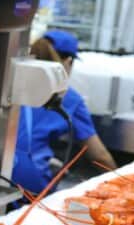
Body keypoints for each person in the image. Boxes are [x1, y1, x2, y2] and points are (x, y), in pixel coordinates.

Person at [12, 30, 116, 196]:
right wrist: (121, 180)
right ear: (68, 61)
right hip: (30, 183)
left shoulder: (12, 83)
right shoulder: (68, 98)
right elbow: (99, 156)